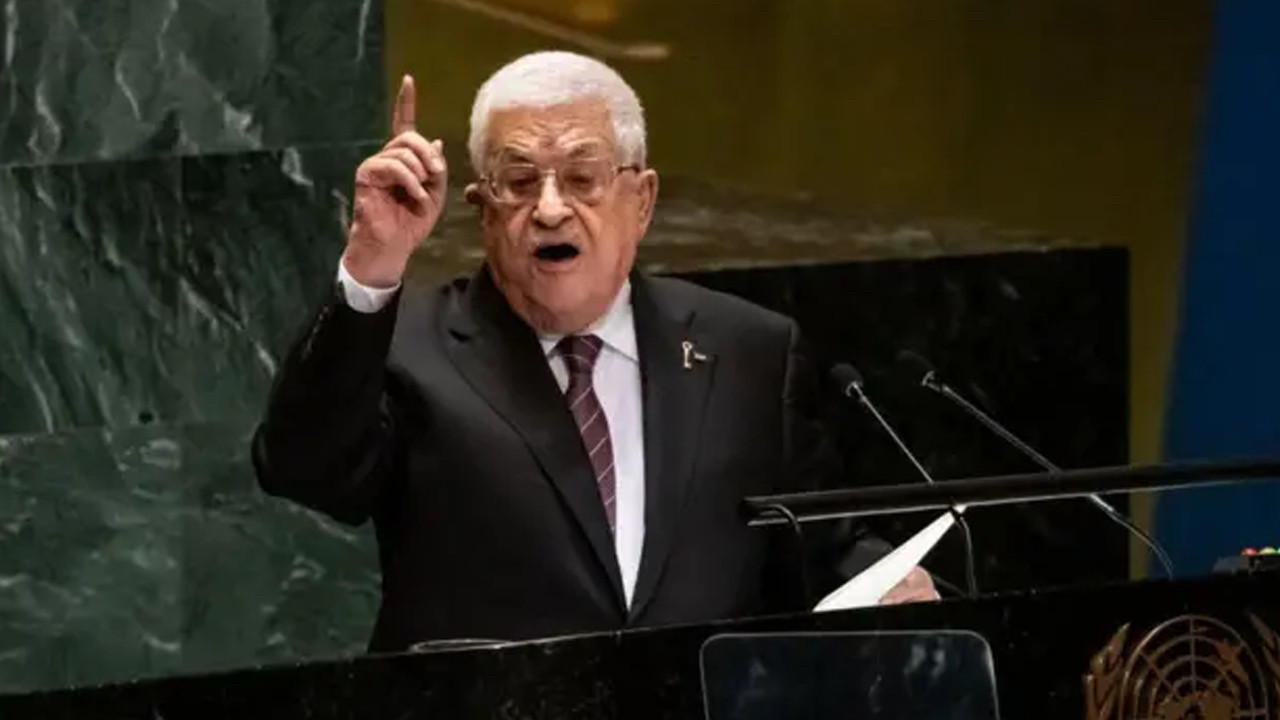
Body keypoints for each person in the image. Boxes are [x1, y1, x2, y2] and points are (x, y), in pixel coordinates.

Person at [252, 50, 937, 653]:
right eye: (520, 181)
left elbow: (822, 545)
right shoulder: (407, 345)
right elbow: (303, 470)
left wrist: (889, 582)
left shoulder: (747, 350)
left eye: (582, 177)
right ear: (482, 208)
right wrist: (373, 265)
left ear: (642, 200)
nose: (550, 209)